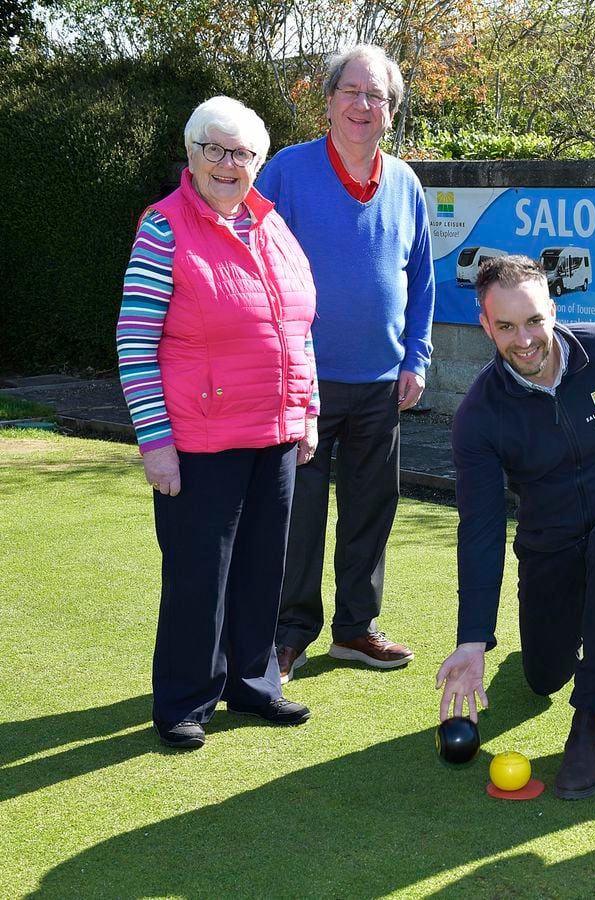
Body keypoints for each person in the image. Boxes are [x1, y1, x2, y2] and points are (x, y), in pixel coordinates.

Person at [436, 255, 595, 799]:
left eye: (533, 320)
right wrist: (472, 637)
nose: (524, 339)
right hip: (548, 544)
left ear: (553, 309)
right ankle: (569, 628)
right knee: (542, 678)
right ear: (485, 326)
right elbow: (481, 528)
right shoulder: (480, 416)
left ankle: (588, 726)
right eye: (505, 326)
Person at [116, 96, 318, 749]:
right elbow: (135, 342)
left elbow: (299, 328)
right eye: (216, 149)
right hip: (199, 441)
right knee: (199, 575)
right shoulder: (164, 228)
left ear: (259, 161)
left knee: (263, 567)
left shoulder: (273, 225)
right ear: (193, 153)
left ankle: (254, 684)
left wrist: (307, 411)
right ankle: (184, 699)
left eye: (243, 153)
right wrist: (156, 443)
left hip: (276, 432)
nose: (230, 164)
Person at [256, 44, 436, 681]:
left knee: (370, 511)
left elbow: (421, 279)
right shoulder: (287, 171)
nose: (364, 105)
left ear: (392, 111)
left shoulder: (408, 183)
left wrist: (417, 356)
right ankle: (290, 632)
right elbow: (255, 262)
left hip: (382, 384)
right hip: (303, 384)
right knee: (298, 516)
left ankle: (355, 630)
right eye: (352, 92)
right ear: (329, 100)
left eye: (377, 95)